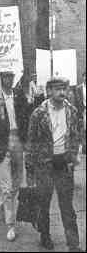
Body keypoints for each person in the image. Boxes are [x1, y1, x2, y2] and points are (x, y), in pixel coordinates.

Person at [25, 77, 83, 252]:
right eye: (57, 89)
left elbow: (76, 134)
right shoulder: (38, 113)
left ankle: (73, 244)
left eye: (64, 88)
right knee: (44, 204)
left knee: (67, 206)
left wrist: (74, 155)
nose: (62, 92)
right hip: (45, 165)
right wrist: (30, 170)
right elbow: (31, 142)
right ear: (49, 91)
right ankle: (45, 236)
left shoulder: (71, 110)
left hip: (64, 165)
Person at [0, 71, 31, 241]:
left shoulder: (19, 95)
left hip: (18, 142)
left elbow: (26, 117)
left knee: (16, 183)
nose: (9, 79)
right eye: (6, 77)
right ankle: (11, 225)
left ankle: (1, 204)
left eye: (11, 77)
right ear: (0, 78)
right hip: (2, 144)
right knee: (7, 188)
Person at [75, 71, 86, 154]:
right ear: (83, 77)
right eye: (85, 76)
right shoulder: (79, 88)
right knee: (83, 129)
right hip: (83, 111)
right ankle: (84, 148)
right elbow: (77, 101)